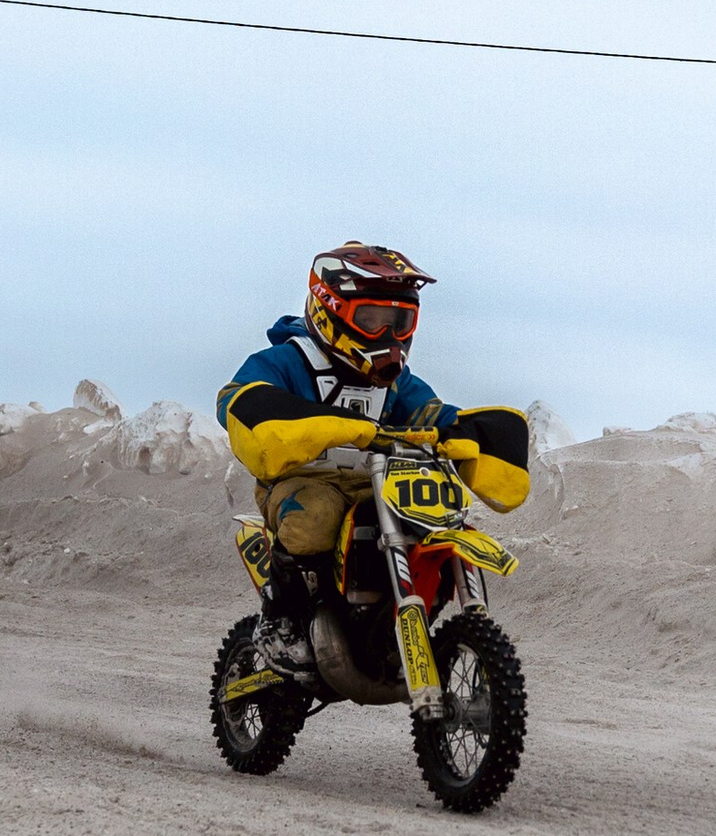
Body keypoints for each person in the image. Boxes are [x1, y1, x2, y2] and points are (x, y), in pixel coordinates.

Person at [217, 246, 532, 676]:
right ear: (330, 309)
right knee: (315, 517)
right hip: (302, 479)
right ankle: (281, 620)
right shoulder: (288, 361)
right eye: (371, 319)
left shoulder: (396, 383)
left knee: (429, 522)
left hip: (380, 480)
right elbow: (237, 398)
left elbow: (428, 411)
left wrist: (458, 431)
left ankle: (394, 626)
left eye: (399, 322)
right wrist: (301, 419)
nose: (388, 334)